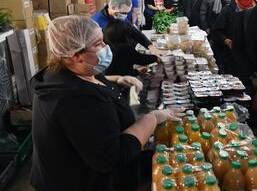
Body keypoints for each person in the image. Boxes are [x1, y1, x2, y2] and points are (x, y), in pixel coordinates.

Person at [30, 16, 183, 191]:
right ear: (76, 55)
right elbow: (113, 157)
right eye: (98, 44)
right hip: (78, 182)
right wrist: (154, 117)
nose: (106, 48)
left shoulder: (69, 71)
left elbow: (90, 80)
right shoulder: (75, 101)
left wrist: (116, 78)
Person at [92, 0, 162, 57]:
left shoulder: (120, 17)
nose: (124, 16)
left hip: (122, 53)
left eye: (127, 13)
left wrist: (150, 46)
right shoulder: (96, 21)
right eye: (123, 13)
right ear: (112, 7)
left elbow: (133, 31)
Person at [211, 0, 253, 74]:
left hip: (248, 57)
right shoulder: (228, 10)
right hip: (230, 56)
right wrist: (224, 40)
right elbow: (216, 30)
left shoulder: (254, 11)